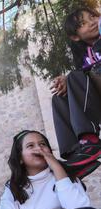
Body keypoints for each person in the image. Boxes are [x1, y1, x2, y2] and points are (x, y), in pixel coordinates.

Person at [0, 130, 91, 209]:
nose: (39, 148)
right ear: (20, 158)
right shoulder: (13, 187)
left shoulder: (68, 176)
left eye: (42, 144)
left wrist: (56, 167)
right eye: (30, 145)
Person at [51, 7, 101, 178]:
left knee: (74, 76)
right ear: (75, 36)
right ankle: (76, 152)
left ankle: (90, 141)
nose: (92, 22)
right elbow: (84, 75)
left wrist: (73, 77)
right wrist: (66, 81)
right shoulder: (84, 54)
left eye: (93, 16)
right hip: (96, 97)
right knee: (59, 97)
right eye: (84, 23)